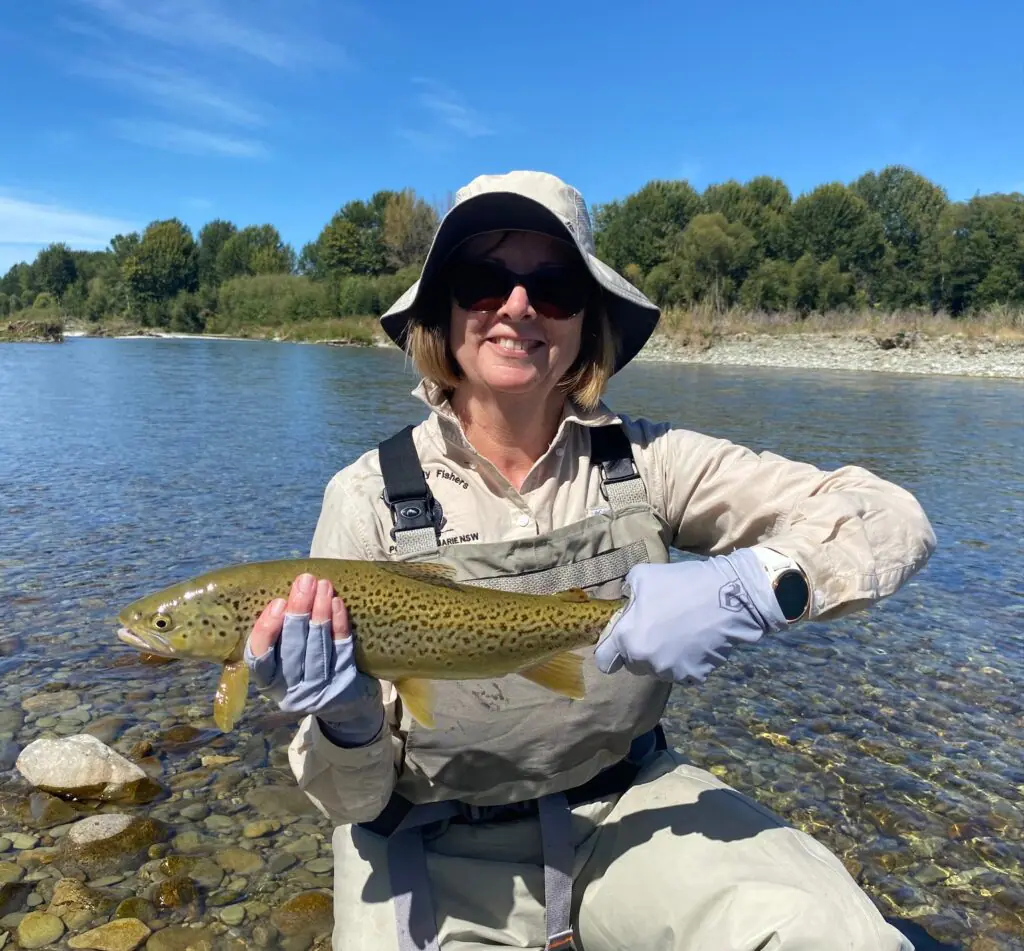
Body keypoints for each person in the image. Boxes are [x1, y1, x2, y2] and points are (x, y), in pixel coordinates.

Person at [244, 170, 936, 951]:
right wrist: (346, 721)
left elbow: (889, 514)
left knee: (834, 934)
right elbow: (352, 801)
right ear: (443, 308)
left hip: (627, 808)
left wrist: (755, 586)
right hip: (426, 839)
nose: (515, 306)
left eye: (553, 285)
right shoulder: (366, 496)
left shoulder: (649, 459)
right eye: (481, 280)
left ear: (587, 318)